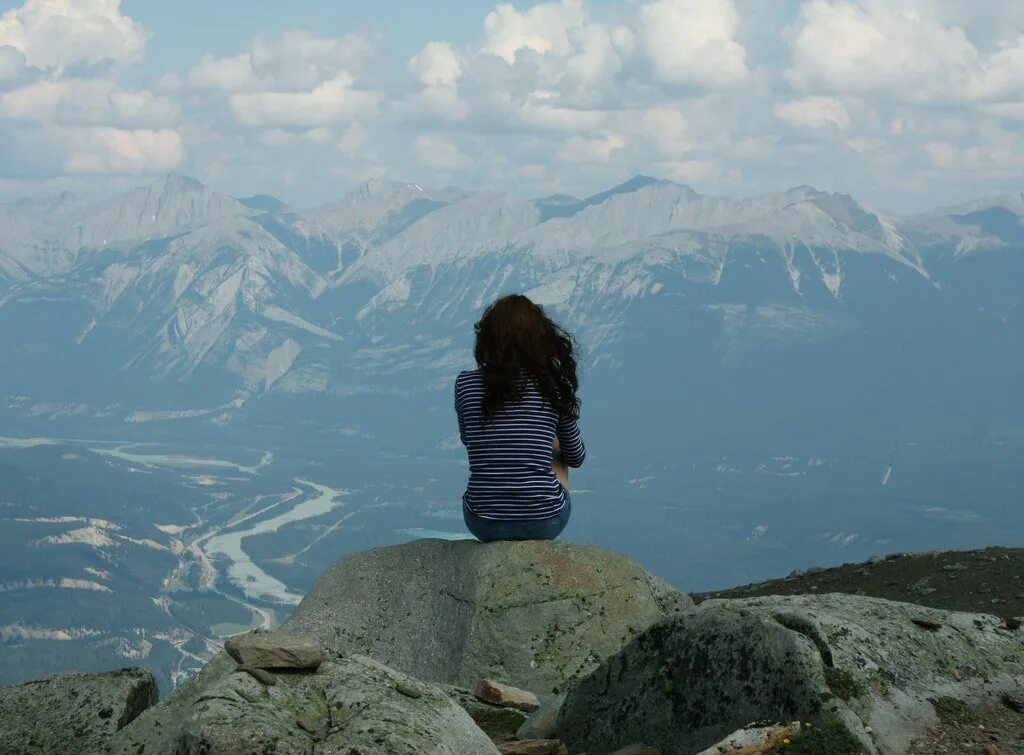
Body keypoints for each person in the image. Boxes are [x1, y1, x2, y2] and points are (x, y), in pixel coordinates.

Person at [455, 294, 586, 542]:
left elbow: (468, 439)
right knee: (556, 441)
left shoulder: (465, 384)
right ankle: (538, 500)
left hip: (481, 521)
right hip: (544, 521)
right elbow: (576, 456)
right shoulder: (552, 385)